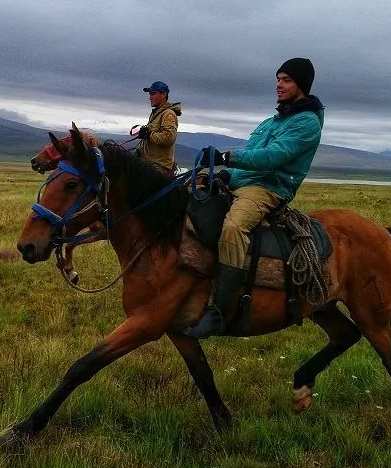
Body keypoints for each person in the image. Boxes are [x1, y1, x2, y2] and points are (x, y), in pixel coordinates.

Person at [183, 57, 324, 339]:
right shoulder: (273, 120)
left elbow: (274, 158)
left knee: (234, 227)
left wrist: (226, 157)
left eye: (286, 80)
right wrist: (226, 176)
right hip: (247, 182)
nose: (279, 85)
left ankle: (218, 312)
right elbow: (253, 155)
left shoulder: (307, 123)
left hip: (270, 188)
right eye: (278, 79)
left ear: (302, 85)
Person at [136, 81, 182, 175]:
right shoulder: (156, 113)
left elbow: (169, 138)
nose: (150, 97)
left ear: (163, 94)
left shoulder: (168, 114)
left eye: (153, 94)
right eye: (150, 94)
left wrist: (148, 135)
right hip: (149, 164)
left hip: (159, 168)